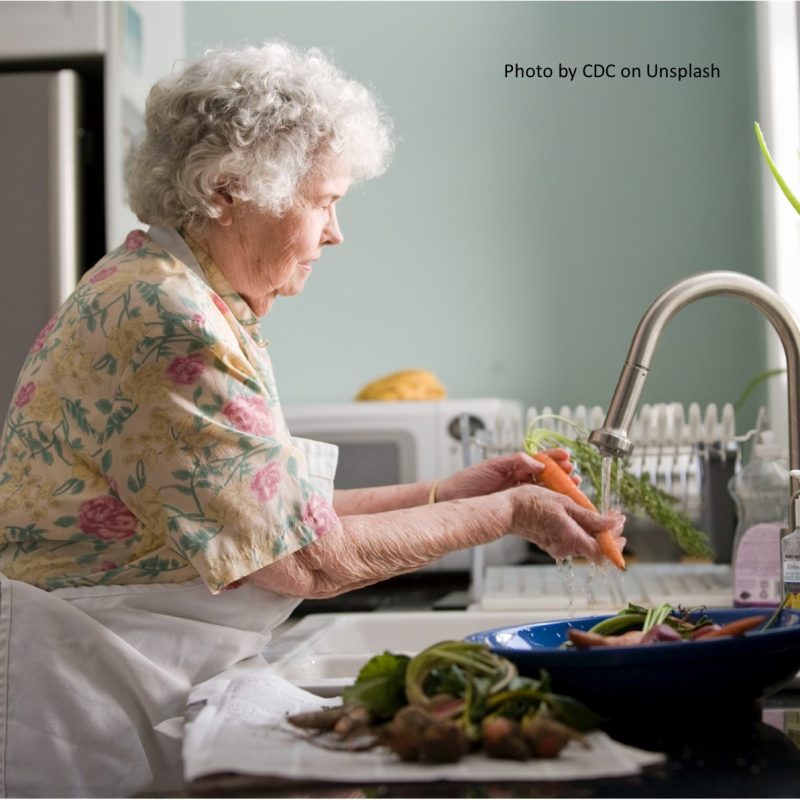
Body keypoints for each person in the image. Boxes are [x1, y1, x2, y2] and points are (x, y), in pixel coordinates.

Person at [0, 42, 624, 796]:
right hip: (85, 697)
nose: (335, 232)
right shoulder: (168, 320)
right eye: (324, 201)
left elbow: (274, 519)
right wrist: (508, 511)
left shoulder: (177, 292)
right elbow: (306, 560)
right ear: (230, 190)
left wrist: (457, 493)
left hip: (119, 672)